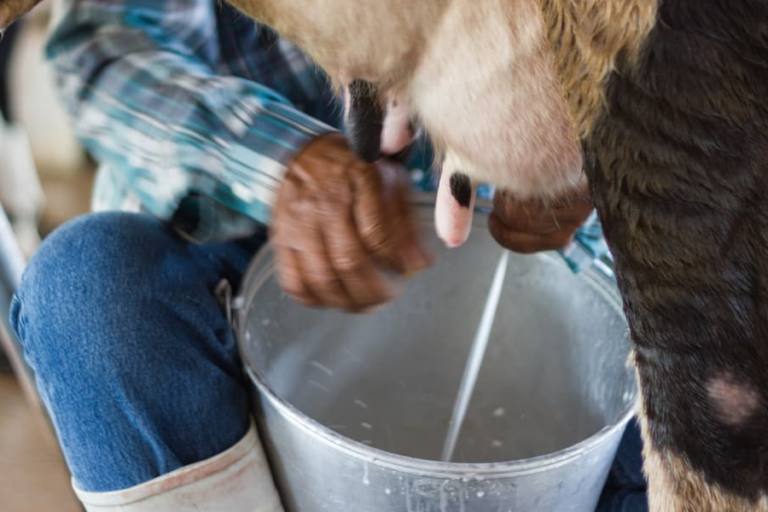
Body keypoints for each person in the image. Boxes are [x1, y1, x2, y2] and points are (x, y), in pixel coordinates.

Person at [6, 0, 646, 510]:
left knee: (705, 403)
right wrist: (281, 164)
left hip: (515, 311)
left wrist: (595, 165)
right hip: (245, 279)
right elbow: (102, 49)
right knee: (86, 290)